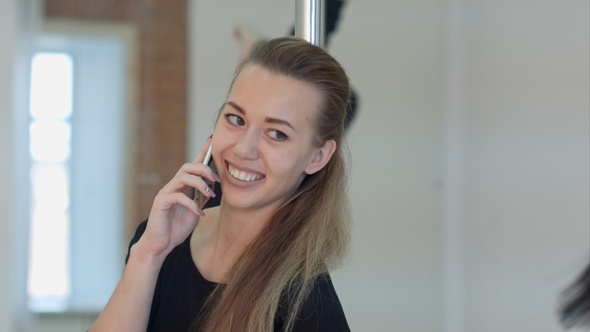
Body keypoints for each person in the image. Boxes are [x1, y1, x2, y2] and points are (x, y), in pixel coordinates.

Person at [89, 37, 352, 332]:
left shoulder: (308, 306)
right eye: (235, 119)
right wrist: (148, 254)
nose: (243, 149)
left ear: (317, 157)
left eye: (276, 134)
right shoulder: (159, 242)